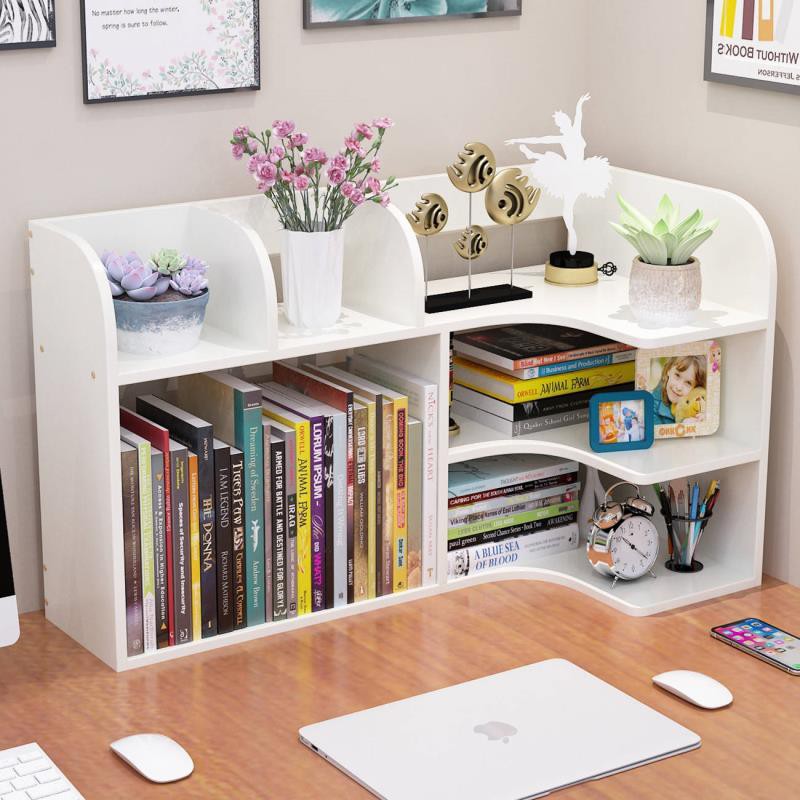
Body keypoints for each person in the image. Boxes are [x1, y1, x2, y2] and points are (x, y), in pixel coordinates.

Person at [506, 94, 611, 255]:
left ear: (567, 122)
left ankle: (572, 244)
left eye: (562, 123)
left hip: (580, 172)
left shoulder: (575, 131)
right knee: (567, 208)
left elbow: (579, 116)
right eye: (560, 124)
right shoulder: (562, 137)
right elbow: (539, 139)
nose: (562, 126)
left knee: (569, 209)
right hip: (570, 172)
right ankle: (572, 247)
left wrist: (580, 103)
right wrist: (518, 140)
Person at [651, 356, 706, 425]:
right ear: (669, 370)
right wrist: (683, 427)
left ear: (696, 389)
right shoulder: (651, 406)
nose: (679, 387)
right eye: (677, 375)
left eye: (688, 383)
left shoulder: (697, 406)